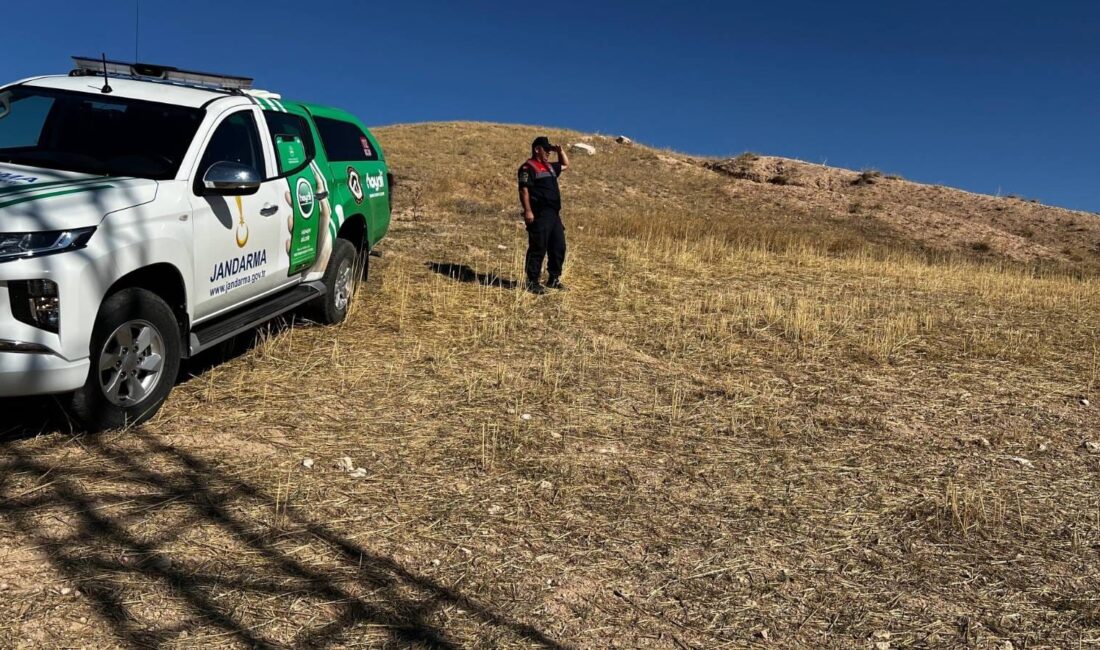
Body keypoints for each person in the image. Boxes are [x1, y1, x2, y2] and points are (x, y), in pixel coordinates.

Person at [517, 136, 570, 294]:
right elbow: (523, 190)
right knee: (538, 246)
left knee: (558, 246)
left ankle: (553, 279)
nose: (548, 152)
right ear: (536, 149)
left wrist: (559, 151)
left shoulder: (550, 167)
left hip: (554, 214)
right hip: (539, 213)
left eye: (549, 149)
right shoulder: (528, 167)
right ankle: (532, 281)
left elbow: (566, 164)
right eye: (545, 149)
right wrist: (527, 210)